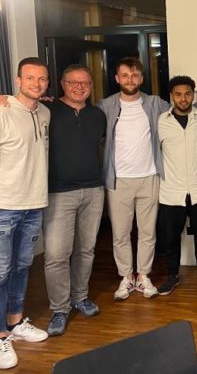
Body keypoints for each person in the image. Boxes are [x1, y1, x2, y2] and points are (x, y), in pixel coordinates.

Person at [98, 57, 170, 300]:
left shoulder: (154, 103)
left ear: (141, 78)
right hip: (118, 180)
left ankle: (144, 275)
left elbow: (181, 107)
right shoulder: (105, 106)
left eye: (135, 75)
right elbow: (80, 114)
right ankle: (127, 276)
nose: (130, 80)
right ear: (117, 78)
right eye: (125, 75)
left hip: (149, 177)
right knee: (121, 233)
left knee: (148, 232)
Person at [42, 65, 106, 336]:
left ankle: (80, 297)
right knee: (57, 254)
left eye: (85, 83)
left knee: (86, 250)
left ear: (91, 86)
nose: (79, 87)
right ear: (62, 84)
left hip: (93, 190)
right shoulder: (48, 110)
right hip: (58, 192)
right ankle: (60, 308)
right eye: (73, 82)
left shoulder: (98, 115)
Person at [0, 57, 50, 369]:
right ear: (18, 80)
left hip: (34, 203)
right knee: (0, 271)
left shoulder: (44, 112)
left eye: (42, 78)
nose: (36, 83)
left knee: (21, 266)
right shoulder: (3, 111)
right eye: (30, 78)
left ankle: (15, 322)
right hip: (5, 205)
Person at [157, 76, 197, 295]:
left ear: (194, 94)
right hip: (171, 191)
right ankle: (172, 276)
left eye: (187, 94)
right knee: (171, 238)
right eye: (178, 94)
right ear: (171, 96)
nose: (183, 99)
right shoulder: (161, 121)